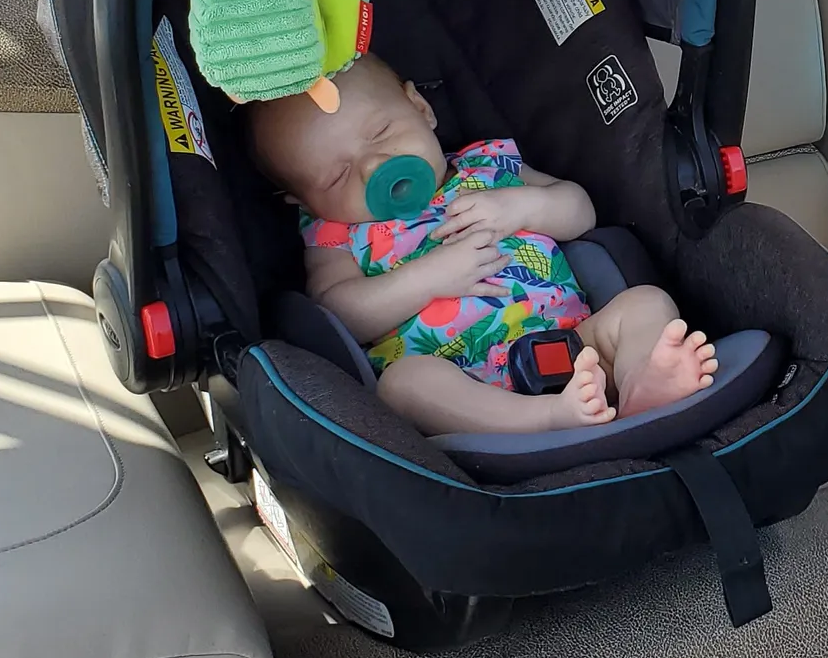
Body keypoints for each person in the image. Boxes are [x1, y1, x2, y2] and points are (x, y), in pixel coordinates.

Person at [249, 53, 717, 433]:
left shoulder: (489, 167)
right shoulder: (336, 232)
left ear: (420, 108)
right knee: (402, 386)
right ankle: (547, 419)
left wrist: (521, 207)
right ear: (302, 198)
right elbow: (340, 311)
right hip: (460, 380)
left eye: (381, 134)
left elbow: (579, 210)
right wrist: (430, 278)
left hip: (576, 343)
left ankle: (640, 384)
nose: (375, 168)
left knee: (645, 304)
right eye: (338, 176)